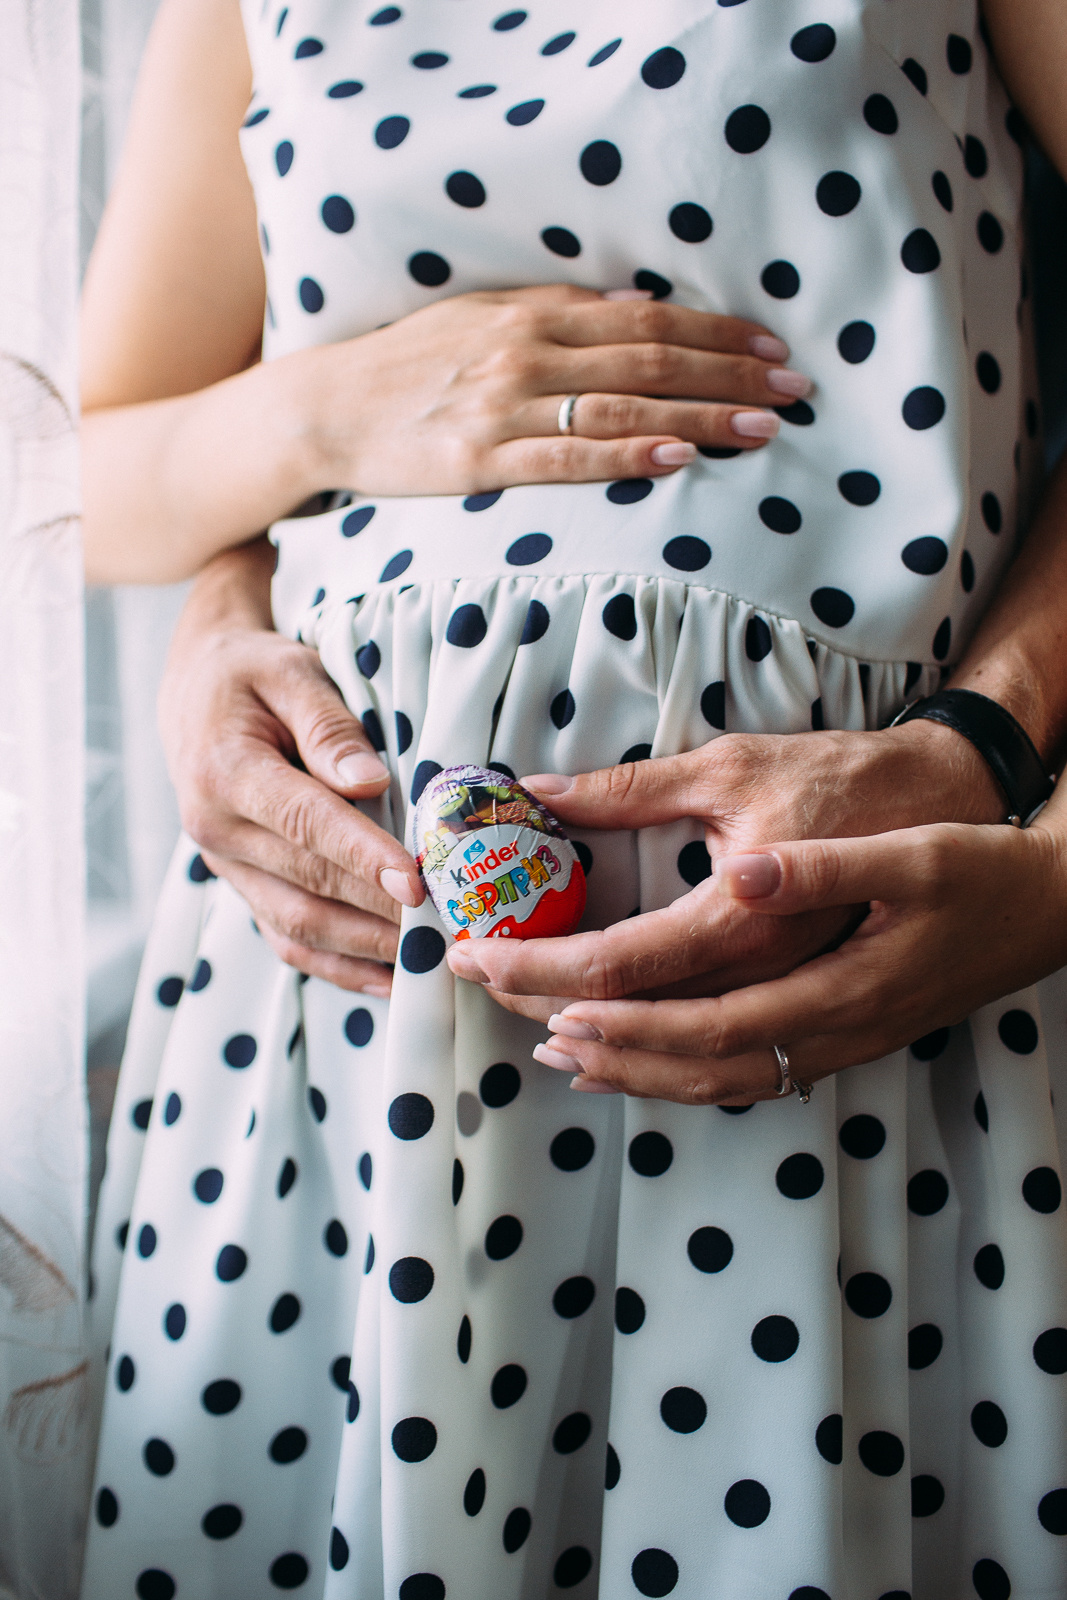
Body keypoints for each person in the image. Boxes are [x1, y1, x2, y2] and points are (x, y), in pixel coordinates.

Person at [80, 5, 1067, 1600]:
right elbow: (83, 467)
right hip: (344, 1017)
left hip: (865, 1005)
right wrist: (304, 439)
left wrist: (998, 758)